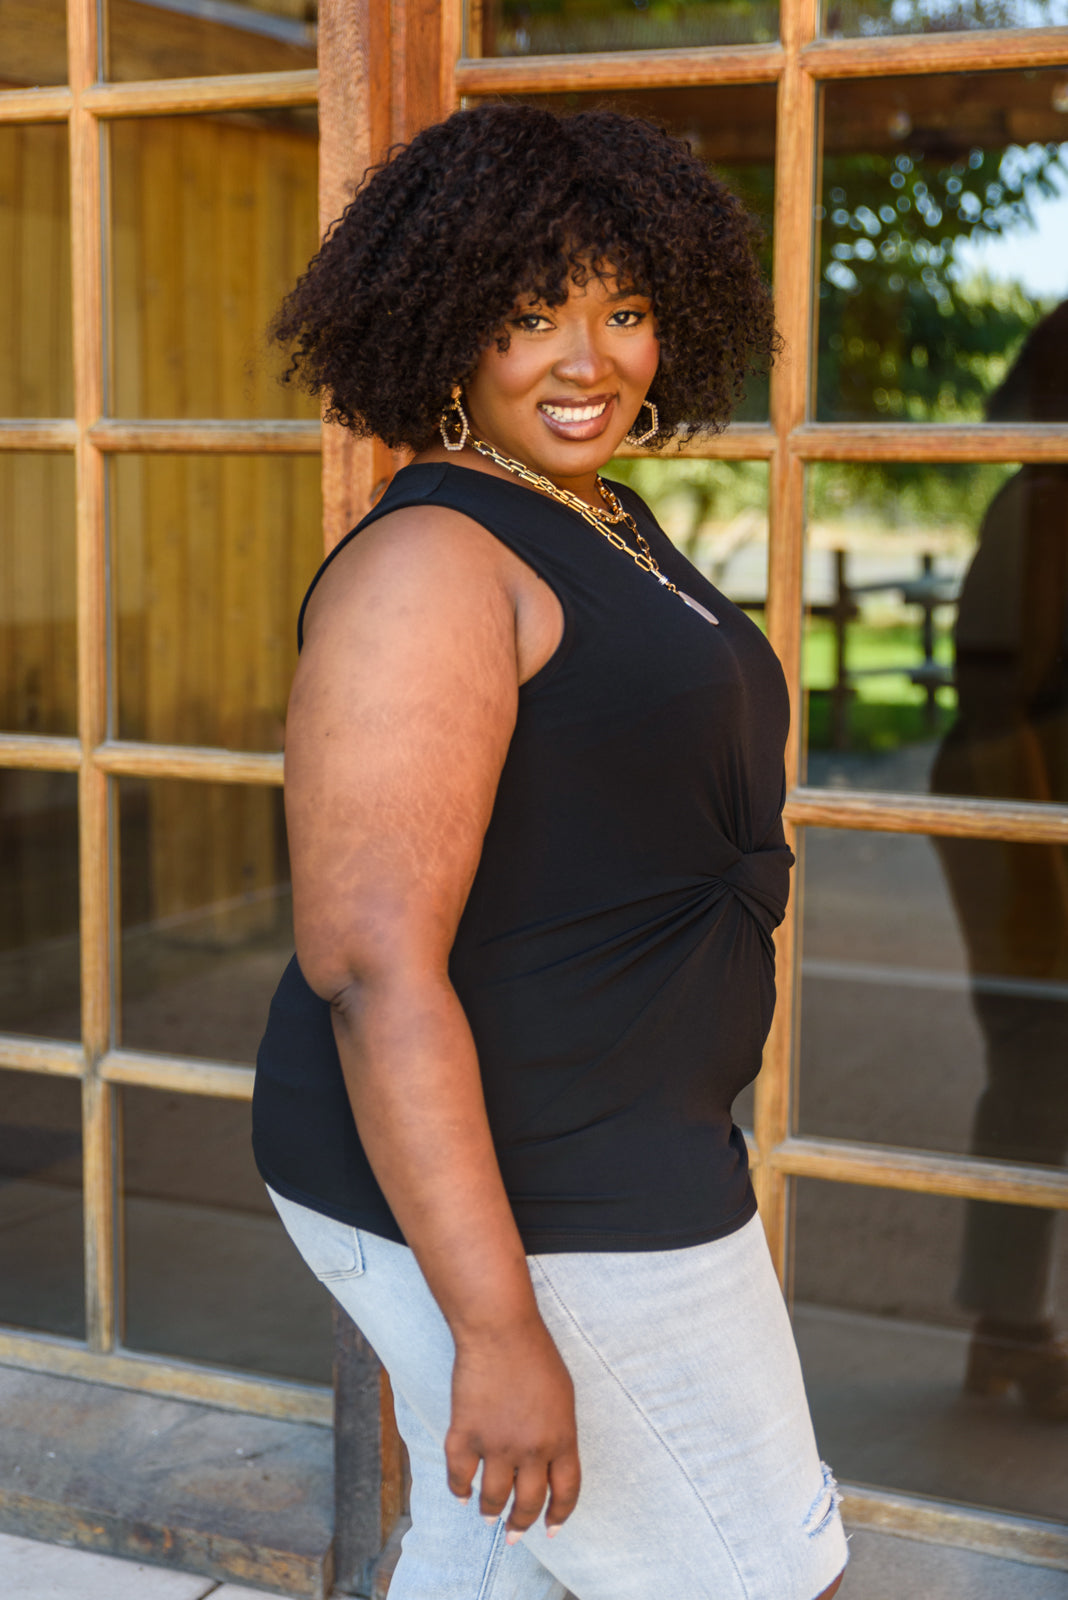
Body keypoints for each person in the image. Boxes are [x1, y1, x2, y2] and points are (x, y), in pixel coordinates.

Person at [252, 103, 848, 1600]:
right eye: (531, 318)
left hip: (622, 1136)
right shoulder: (430, 564)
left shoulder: (599, 512)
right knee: (776, 1578)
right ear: (449, 329)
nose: (590, 362)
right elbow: (373, 965)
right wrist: (497, 1328)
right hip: (537, 1189)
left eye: (626, 310)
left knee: (494, 1562)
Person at [932, 300, 1068, 1421]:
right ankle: (1009, 1332)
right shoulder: (1039, 509)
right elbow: (995, 711)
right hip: (1014, 811)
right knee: (1039, 1054)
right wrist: (1047, 870)